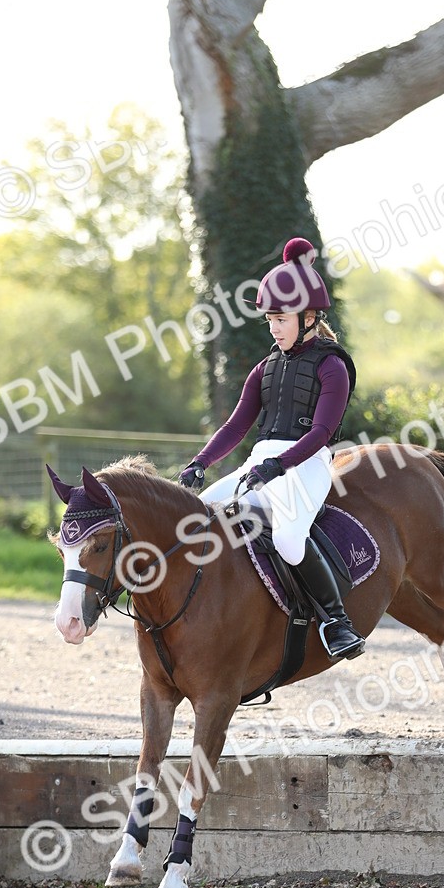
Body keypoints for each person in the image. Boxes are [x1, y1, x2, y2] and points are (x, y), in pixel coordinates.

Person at [178, 237, 365, 661]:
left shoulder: (332, 366)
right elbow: (236, 424)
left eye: (281, 319)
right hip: (261, 463)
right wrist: (200, 463)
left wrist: (278, 465)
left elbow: (320, 433)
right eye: (270, 321)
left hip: (308, 464)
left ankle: (337, 622)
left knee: (287, 537)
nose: (274, 328)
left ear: (309, 317)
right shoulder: (265, 368)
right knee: (200, 515)